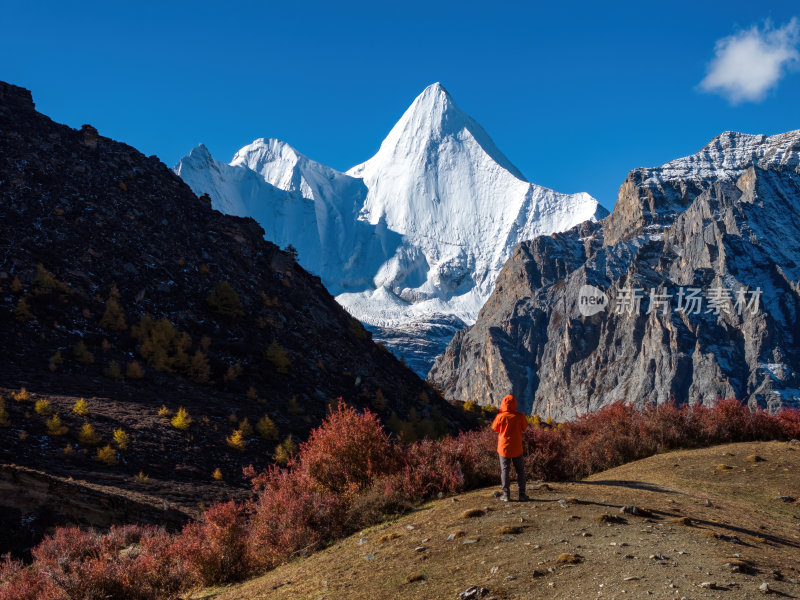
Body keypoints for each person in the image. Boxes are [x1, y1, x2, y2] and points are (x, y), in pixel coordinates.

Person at [491, 394, 529, 502]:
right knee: (520, 471)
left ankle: (506, 495)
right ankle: (522, 494)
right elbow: (525, 428)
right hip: (517, 447)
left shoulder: (500, 417)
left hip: (503, 448)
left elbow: (495, 428)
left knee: (505, 471)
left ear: (503, 403)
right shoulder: (520, 416)